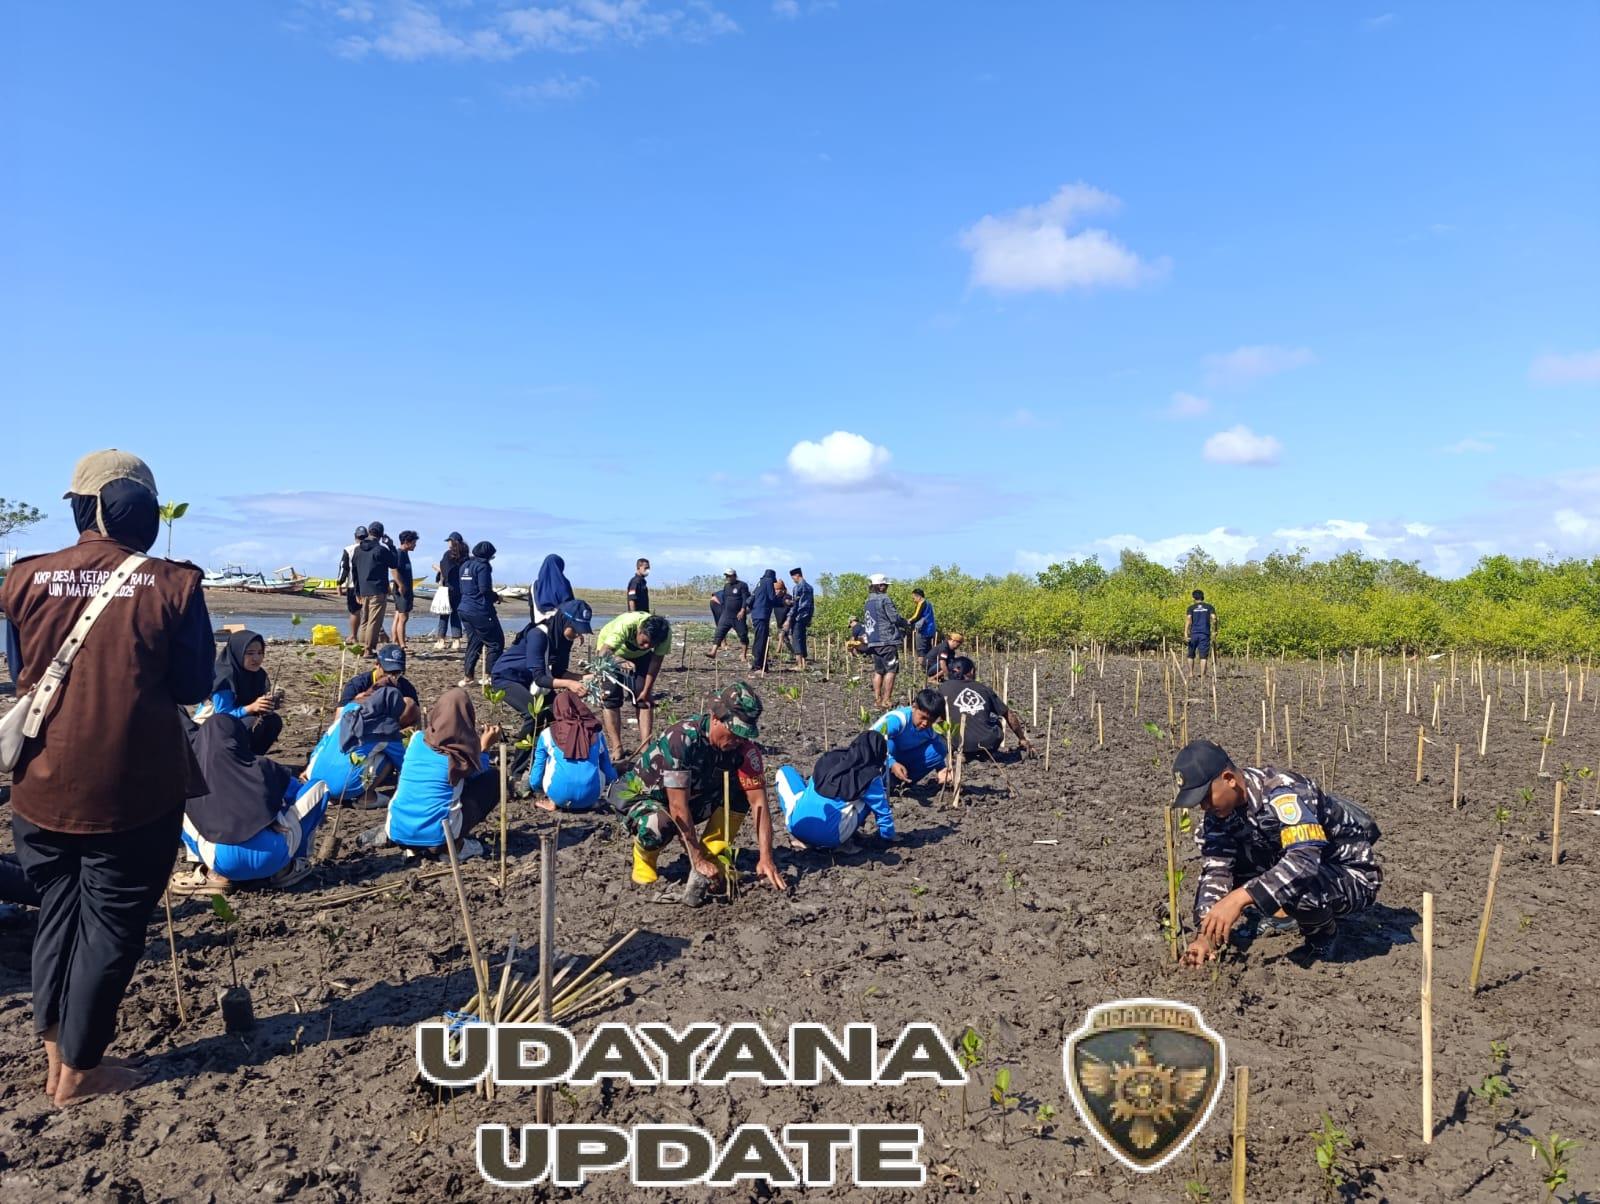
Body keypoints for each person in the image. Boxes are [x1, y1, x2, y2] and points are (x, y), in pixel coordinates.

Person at [1, 449, 212, 1105]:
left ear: (82, 508)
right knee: (111, 928)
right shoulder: (173, 584)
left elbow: (20, 670)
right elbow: (195, 684)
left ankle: (56, 1060)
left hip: (39, 782)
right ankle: (82, 1070)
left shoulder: (25, 577)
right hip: (134, 786)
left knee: (58, 916)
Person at [1171, 739, 1382, 966]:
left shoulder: (1283, 791)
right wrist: (1205, 935)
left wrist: (1239, 898)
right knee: (1238, 868)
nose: (1204, 808)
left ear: (1229, 779)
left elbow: (1304, 862)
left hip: (1349, 873)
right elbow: (1217, 868)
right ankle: (1285, 915)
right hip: (1288, 863)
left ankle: (1324, 937)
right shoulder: (1218, 814)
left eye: (1205, 797)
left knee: (1296, 886)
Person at [612, 683, 785, 902]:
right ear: (715, 718)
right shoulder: (682, 739)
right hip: (647, 797)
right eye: (734, 732)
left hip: (694, 796)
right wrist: (697, 860)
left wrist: (766, 858)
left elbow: (759, 803)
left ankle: (713, 853)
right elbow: (677, 807)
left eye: (744, 735)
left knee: (741, 792)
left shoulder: (744, 750)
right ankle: (645, 857)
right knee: (659, 824)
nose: (738, 740)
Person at [168, 716, 328, 895]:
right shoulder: (262, 766)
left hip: (223, 861)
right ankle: (291, 866)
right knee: (319, 788)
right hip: (273, 857)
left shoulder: (193, 776)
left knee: (178, 802)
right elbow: (296, 791)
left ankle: (208, 874)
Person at [370, 687, 501, 860]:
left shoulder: (417, 739)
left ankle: (414, 847)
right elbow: (478, 777)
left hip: (396, 829)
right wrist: (483, 749)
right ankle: (453, 848)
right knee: (493, 780)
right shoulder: (461, 753)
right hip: (439, 836)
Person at [775, 730, 894, 849]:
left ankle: (806, 834)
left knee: (785, 771)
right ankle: (844, 837)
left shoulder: (828, 758)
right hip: (832, 838)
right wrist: (887, 837)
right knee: (869, 798)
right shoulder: (870, 776)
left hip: (797, 826)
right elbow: (883, 812)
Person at [303, 685, 415, 804]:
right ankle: (367, 798)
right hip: (343, 789)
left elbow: (324, 740)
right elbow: (404, 763)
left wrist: (308, 768)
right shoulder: (386, 732)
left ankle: (330, 795)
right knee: (387, 756)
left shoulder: (349, 711)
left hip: (313, 778)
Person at [592, 611, 670, 759]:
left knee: (643, 699)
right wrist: (619, 660)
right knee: (611, 698)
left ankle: (645, 746)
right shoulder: (625, 625)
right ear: (640, 630)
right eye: (644, 641)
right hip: (610, 652)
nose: (646, 646)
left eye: (651, 645)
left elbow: (656, 662)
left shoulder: (664, 634)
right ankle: (617, 747)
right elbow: (603, 653)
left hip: (640, 659)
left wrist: (647, 690)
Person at [528, 693, 618, 812]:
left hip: (558, 796)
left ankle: (552, 801)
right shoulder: (596, 733)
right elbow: (609, 773)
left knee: (551, 762)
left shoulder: (547, 734)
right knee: (596, 766)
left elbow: (536, 777)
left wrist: (536, 787)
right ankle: (590, 802)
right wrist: (616, 776)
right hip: (591, 797)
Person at [204, 629, 283, 754]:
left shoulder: (259, 674)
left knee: (272, 721)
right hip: (213, 728)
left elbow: (257, 703)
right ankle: (232, 759)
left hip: (243, 721)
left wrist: (269, 704)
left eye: (260, 652)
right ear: (238, 652)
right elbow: (222, 717)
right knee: (251, 723)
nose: (256, 658)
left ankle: (252, 757)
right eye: (250, 653)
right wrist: (250, 708)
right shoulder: (224, 677)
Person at [938, 656, 1031, 759]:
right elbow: (1008, 714)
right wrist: (1022, 738)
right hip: (989, 742)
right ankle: (987, 752)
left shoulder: (943, 688)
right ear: (972, 671)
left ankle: (957, 752)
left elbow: (937, 717)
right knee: (995, 719)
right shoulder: (984, 688)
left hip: (959, 742)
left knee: (942, 723)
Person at [871, 689, 951, 786]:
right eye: (923, 717)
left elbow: (935, 752)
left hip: (904, 756)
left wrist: (941, 769)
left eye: (930, 720)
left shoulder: (932, 728)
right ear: (913, 707)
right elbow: (871, 740)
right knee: (889, 744)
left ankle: (902, 782)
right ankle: (880, 782)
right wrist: (891, 762)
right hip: (880, 758)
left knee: (939, 748)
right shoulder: (898, 719)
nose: (925, 723)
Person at [457, 540, 504, 685]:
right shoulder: (483, 567)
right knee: (496, 643)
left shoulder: (465, 565)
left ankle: (468, 676)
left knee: (475, 641)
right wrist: (496, 597)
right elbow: (484, 589)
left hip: (464, 609)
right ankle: (490, 676)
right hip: (479, 610)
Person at [352, 522, 402, 657]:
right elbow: (394, 563)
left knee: (365, 619)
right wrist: (391, 545)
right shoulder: (380, 550)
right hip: (377, 589)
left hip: (363, 589)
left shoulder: (358, 550)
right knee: (374, 620)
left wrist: (357, 591)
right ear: (380, 535)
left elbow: (354, 572)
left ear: (369, 532)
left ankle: (362, 647)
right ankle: (368, 649)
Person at [862, 573, 909, 707]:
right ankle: (886, 700)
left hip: (873, 640)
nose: (887, 588)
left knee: (878, 671)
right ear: (881, 586)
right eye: (885, 585)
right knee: (891, 669)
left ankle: (877, 699)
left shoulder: (868, 601)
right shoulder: (885, 599)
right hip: (887, 640)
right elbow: (894, 618)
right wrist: (905, 623)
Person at [339, 643, 420, 706]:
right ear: (377, 664)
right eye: (388, 671)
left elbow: (416, 718)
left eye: (397, 673)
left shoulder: (407, 688)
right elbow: (339, 717)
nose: (392, 677)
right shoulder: (357, 684)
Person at [705, 570, 751, 660]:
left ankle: (743, 655)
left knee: (743, 635)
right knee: (719, 632)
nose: (727, 578)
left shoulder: (742, 585)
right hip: (726, 614)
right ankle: (713, 652)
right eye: (726, 576)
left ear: (734, 576)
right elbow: (725, 599)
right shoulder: (726, 586)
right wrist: (724, 611)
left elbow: (745, 599)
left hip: (738, 616)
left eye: (729, 576)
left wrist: (742, 610)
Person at [433, 532, 467, 651]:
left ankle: (441, 640)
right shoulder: (465, 555)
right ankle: (456, 641)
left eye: (449, 541)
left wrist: (437, 569)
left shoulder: (448, 555)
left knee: (444, 614)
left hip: (448, 588)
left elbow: (445, 572)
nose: (448, 543)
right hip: (460, 589)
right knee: (456, 614)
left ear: (452, 542)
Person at [337, 525, 368, 643]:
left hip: (353, 585)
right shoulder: (373, 548)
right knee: (369, 612)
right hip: (369, 585)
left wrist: (339, 583)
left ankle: (354, 636)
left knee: (355, 612)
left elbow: (343, 568)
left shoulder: (349, 549)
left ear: (355, 537)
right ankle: (368, 637)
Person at [747, 569, 779, 675]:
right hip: (762, 615)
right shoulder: (768, 581)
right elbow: (772, 598)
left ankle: (758, 664)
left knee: (758, 640)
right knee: (761, 641)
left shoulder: (760, 582)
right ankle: (758, 666)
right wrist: (783, 602)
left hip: (756, 615)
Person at [391, 530, 419, 647]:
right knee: (403, 617)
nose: (415, 545)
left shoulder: (405, 554)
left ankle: (395, 641)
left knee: (398, 616)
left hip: (406, 588)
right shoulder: (399, 553)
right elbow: (393, 570)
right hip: (401, 589)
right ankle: (402, 645)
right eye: (413, 542)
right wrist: (401, 585)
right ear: (407, 542)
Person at [784, 566, 814, 671]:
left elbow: (796, 606)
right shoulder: (810, 587)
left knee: (796, 640)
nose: (793, 580)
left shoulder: (798, 588)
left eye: (793, 578)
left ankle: (799, 665)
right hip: (805, 617)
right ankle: (803, 664)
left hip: (798, 617)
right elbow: (811, 605)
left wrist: (788, 619)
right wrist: (809, 618)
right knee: (802, 639)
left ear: (797, 575)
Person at [532, 552, 575, 622]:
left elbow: (532, 608)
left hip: (539, 622)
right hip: (559, 623)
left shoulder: (534, 585)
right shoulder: (563, 583)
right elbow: (570, 607)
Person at [1185, 590, 1218, 678]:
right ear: (1203, 597)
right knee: (1203, 655)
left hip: (1193, 634)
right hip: (1205, 633)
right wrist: (1215, 630)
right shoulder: (1209, 607)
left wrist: (1185, 633)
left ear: (1193, 597)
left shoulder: (1191, 608)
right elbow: (1214, 619)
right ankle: (1203, 675)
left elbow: (1188, 620)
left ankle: (1191, 674)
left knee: (1191, 654)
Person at [908, 588, 937, 667]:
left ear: (919, 597)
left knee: (921, 652)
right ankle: (931, 669)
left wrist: (908, 622)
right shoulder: (929, 603)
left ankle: (923, 670)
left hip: (923, 630)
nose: (913, 600)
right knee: (928, 651)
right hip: (930, 630)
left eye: (914, 598)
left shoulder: (922, 603)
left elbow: (917, 616)